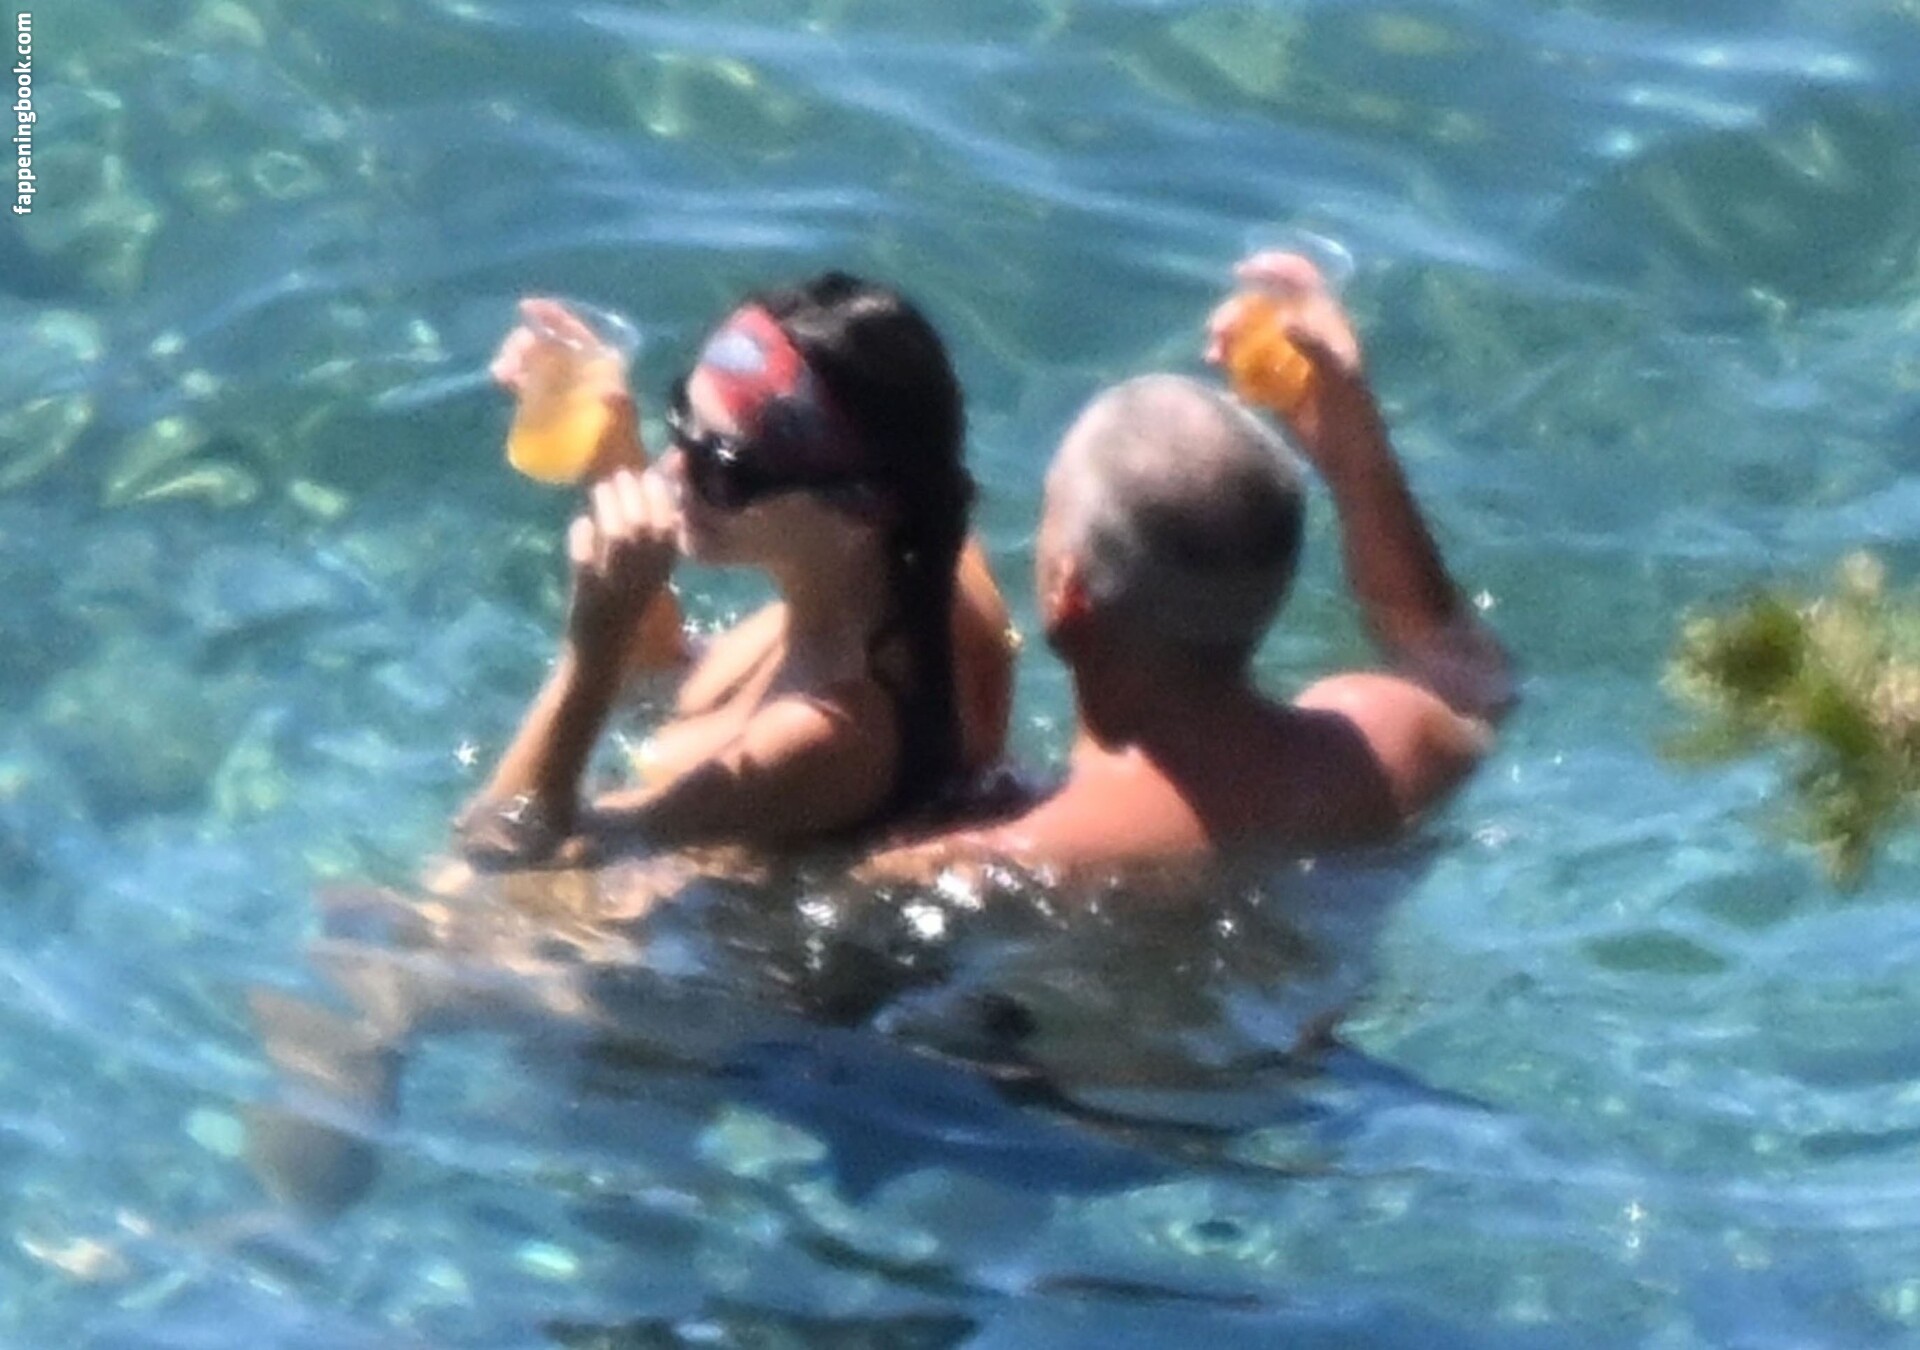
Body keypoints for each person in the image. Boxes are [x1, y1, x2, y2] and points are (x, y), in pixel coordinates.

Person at [866, 251, 1515, 882]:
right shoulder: (1387, 748)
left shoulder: (999, 861)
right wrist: (1353, 454)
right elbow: (1466, 671)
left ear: (1069, 596)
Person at [457, 272, 1016, 868]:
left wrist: (589, 653)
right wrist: (612, 445)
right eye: (681, 416)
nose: (670, 470)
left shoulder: (827, 736)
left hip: (714, 908)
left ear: (863, 506)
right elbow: (658, 663)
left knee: (430, 902)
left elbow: (507, 850)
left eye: (724, 467)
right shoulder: (926, 559)